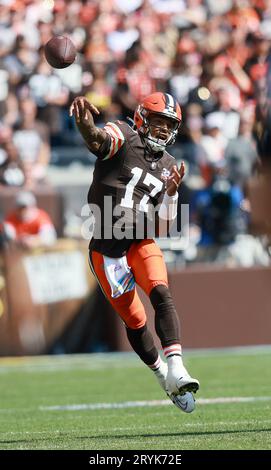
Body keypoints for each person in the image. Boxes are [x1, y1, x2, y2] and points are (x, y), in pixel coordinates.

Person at [70, 92, 200, 413]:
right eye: (157, 123)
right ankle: (162, 377)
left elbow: (166, 226)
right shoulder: (125, 136)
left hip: (140, 240)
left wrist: (170, 194)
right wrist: (86, 125)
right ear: (142, 119)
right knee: (136, 321)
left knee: (161, 294)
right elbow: (99, 140)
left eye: (168, 126)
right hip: (106, 246)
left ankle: (177, 367)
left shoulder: (169, 166)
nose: (162, 131)